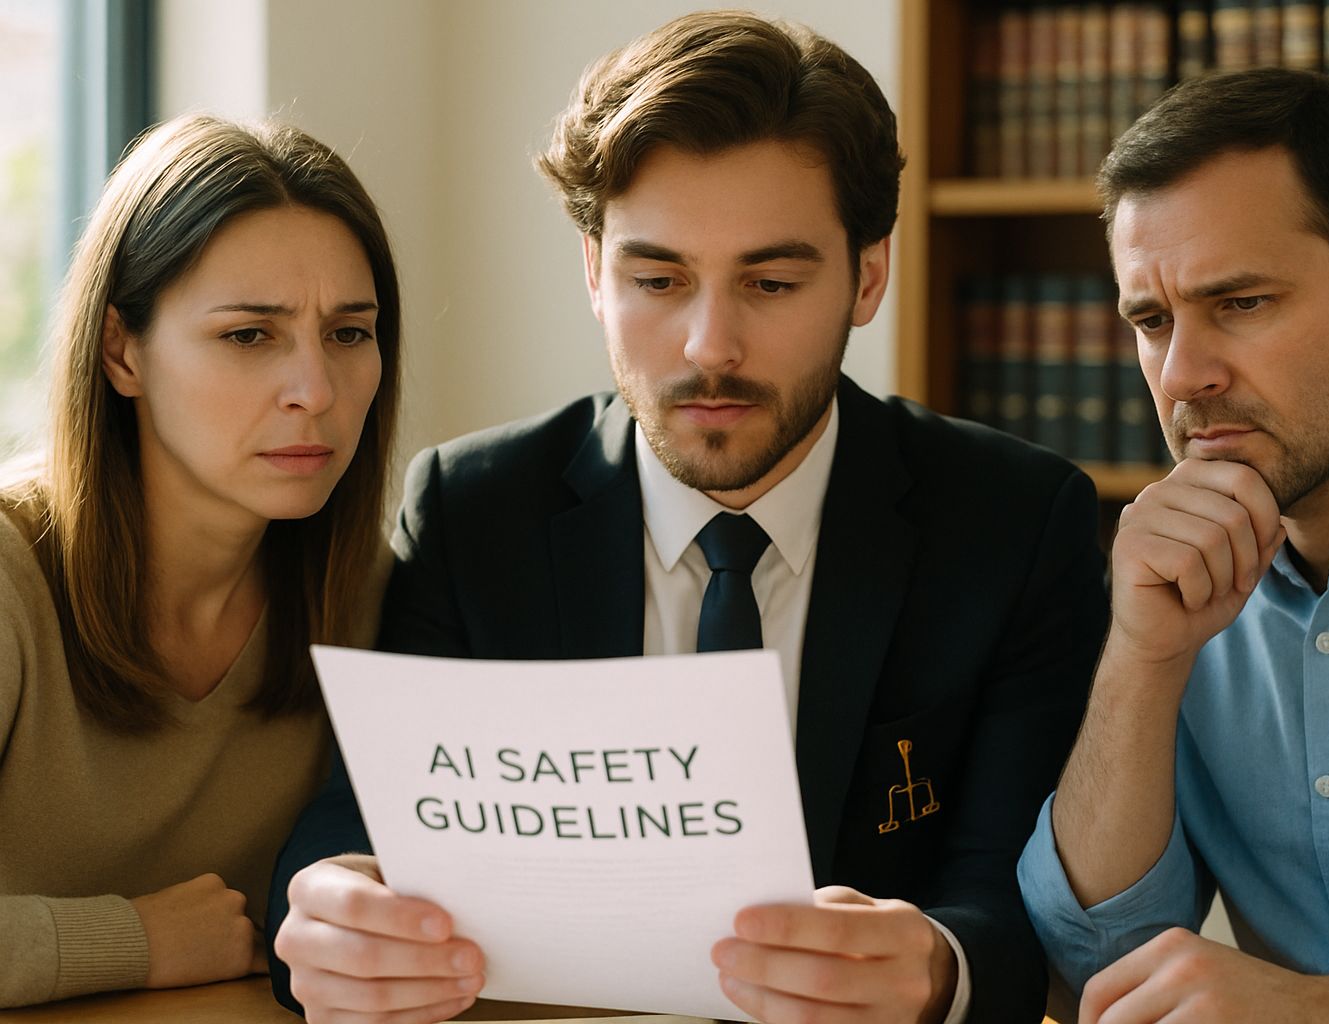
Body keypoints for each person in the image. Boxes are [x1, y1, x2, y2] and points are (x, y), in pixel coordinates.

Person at [266, 11, 1108, 1024]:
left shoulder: (1015, 524)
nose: (712, 344)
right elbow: (352, 829)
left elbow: (1021, 912)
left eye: (771, 281)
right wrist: (328, 916)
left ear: (868, 274)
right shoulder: (472, 509)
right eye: (657, 280)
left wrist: (936, 966)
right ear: (592, 271)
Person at [1018, 67, 1329, 1023]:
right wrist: (1142, 659)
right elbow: (1085, 971)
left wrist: (1320, 1015)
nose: (1182, 376)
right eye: (1151, 320)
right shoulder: (1164, 579)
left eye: (1242, 303)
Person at [0, 114, 401, 1008]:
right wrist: (132, 938)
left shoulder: (368, 593)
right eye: (249, 335)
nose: (316, 391)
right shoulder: (7, 578)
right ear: (121, 350)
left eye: (348, 334)